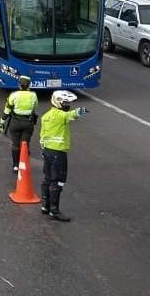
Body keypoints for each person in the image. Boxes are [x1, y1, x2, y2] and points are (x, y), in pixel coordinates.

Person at [39, 90, 88, 222]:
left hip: (47, 150)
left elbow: (42, 135)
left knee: (47, 178)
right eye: (65, 103)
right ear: (58, 102)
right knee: (58, 180)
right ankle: (54, 211)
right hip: (58, 152)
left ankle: (45, 206)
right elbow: (72, 115)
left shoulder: (46, 116)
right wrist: (81, 111)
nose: (67, 105)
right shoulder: (60, 115)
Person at [0, 75, 39, 174]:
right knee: (25, 143)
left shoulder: (14, 95)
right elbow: (35, 106)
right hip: (28, 123)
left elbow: (7, 110)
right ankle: (24, 161)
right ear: (29, 85)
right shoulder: (33, 95)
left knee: (15, 144)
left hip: (15, 122)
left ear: (19, 85)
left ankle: (16, 165)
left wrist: (2, 121)